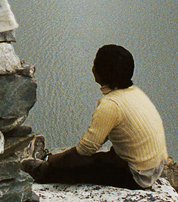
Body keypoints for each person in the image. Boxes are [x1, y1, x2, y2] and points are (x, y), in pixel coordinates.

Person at [25, 44, 168, 189]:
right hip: (154, 167)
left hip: (138, 176)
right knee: (98, 159)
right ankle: (47, 159)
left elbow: (85, 149)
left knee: (79, 166)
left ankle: (41, 168)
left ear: (99, 73)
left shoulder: (111, 104)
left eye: (95, 64)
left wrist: (53, 159)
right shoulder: (135, 93)